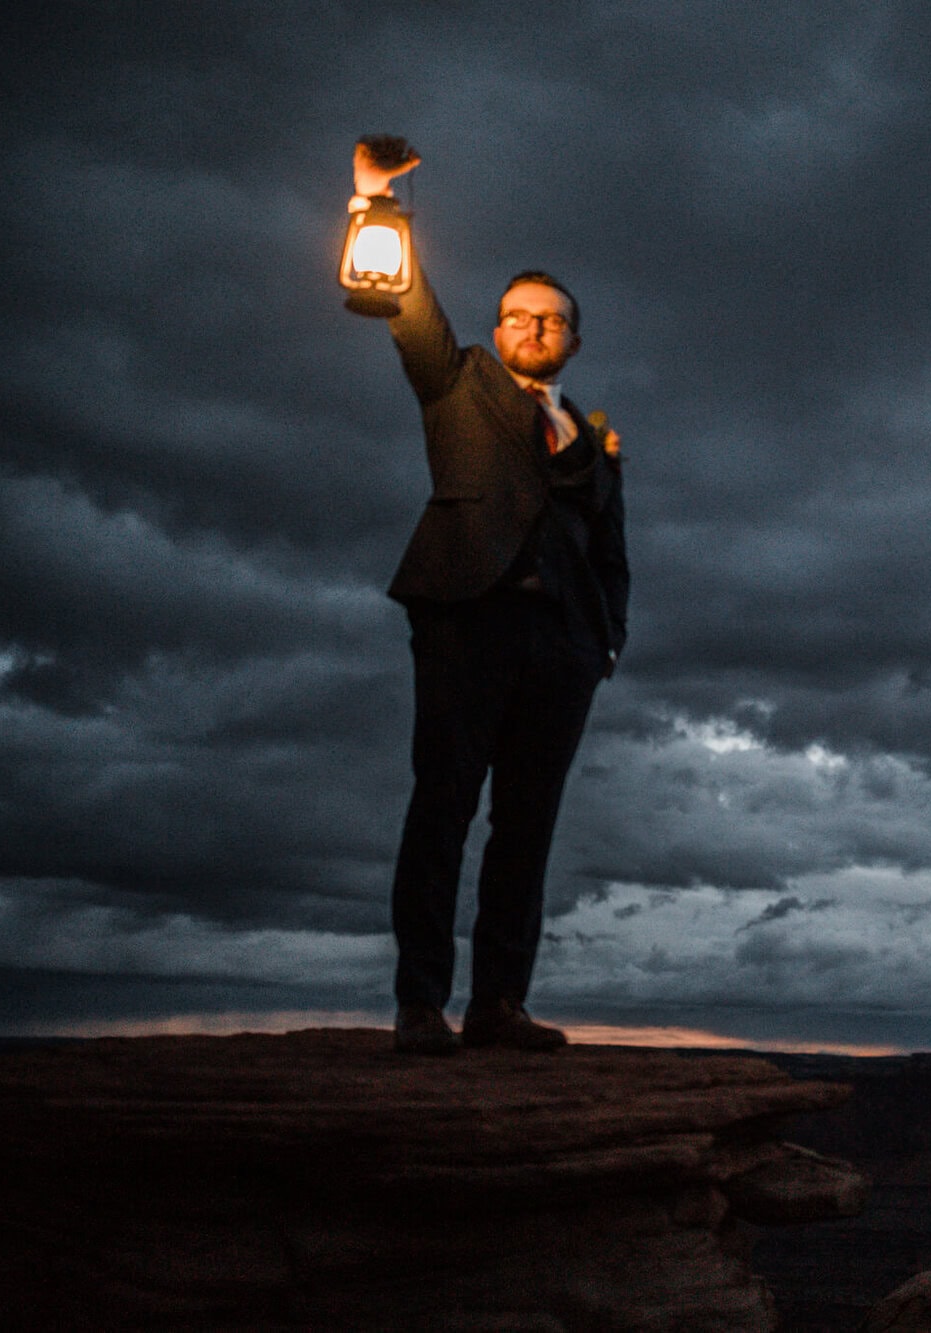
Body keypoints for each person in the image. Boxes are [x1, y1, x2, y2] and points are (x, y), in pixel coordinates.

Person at [351, 140, 628, 1055]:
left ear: (574, 339)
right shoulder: (458, 380)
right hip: (468, 619)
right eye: (517, 316)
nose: (533, 329)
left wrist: (606, 641)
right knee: (444, 804)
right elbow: (405, 306)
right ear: (496, 328)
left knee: (527, 827)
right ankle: (422, 1004)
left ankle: (499, 1005)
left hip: (565, 647)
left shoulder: (592, 437)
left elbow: (611, 551)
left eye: (551, 321)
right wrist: (373, 201)